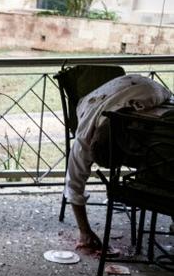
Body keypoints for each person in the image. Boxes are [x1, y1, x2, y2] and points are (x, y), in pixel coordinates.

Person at [64, 74, 172, 250]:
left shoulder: (154, 101)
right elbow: (73, 185)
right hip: (94, 100)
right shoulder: (84, 137)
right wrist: (84, 231)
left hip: (141, 85)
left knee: (166, 141)